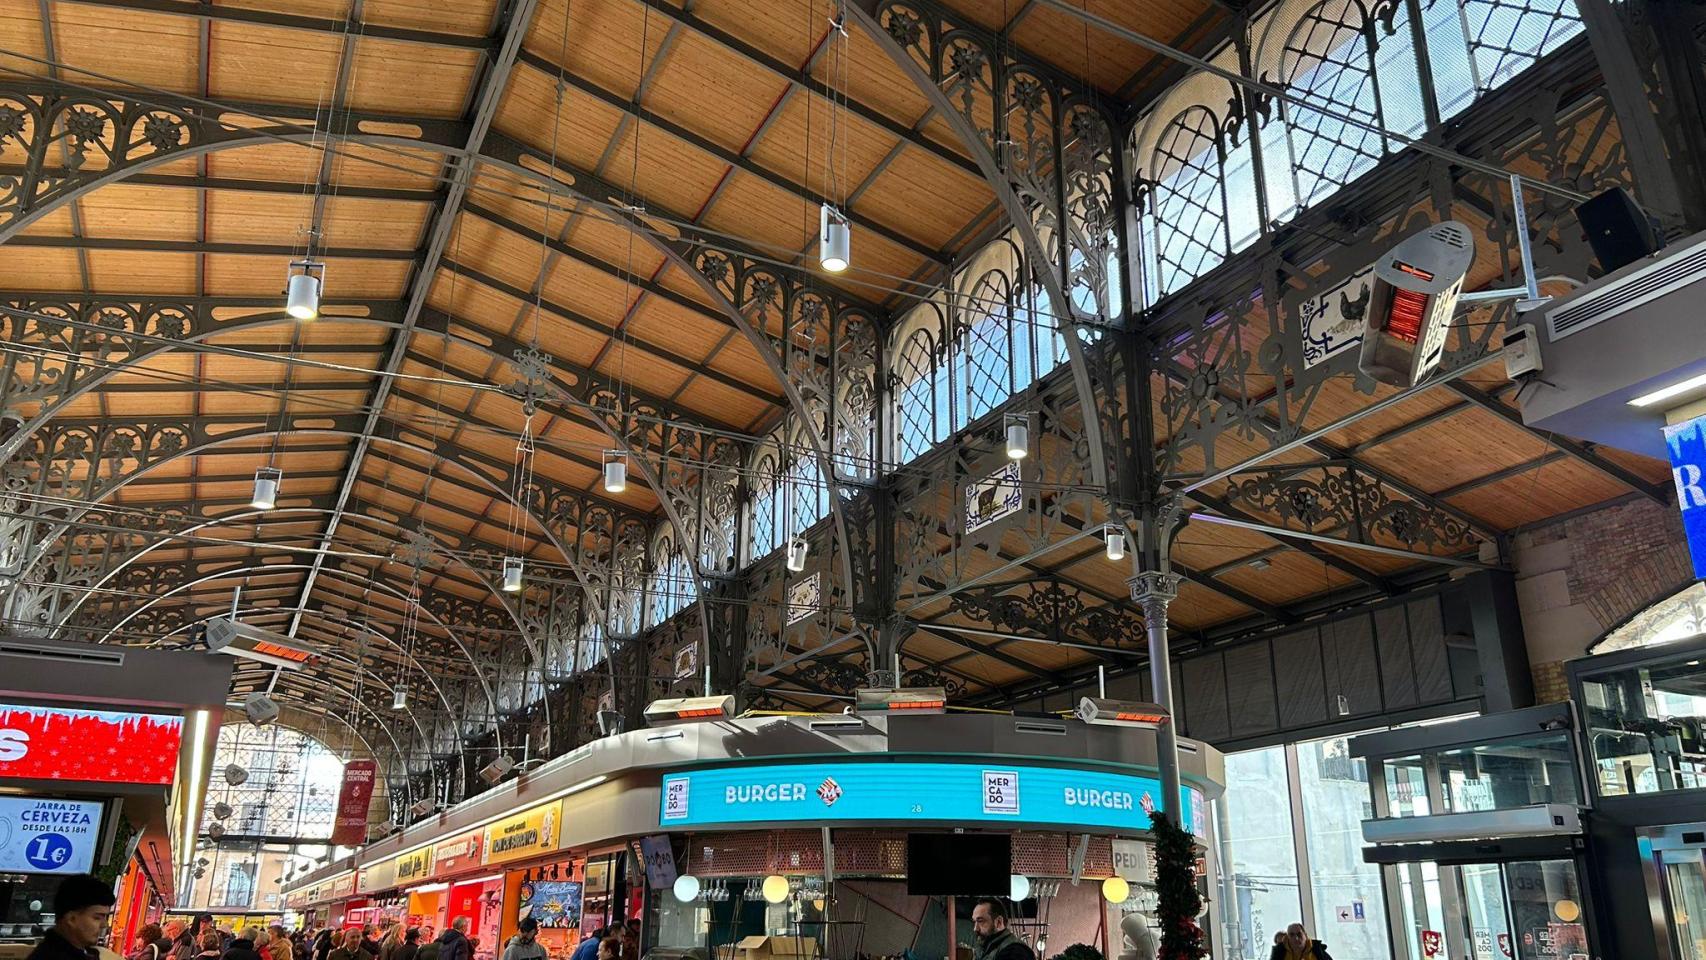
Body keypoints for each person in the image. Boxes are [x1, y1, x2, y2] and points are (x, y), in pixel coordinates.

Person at [30, 874, 118, 960]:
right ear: (71, 919)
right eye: (97, 918)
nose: (104, 925)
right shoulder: (50, 956)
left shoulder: (86, 952)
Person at [1269, 924, 1334, 960]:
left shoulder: (1318, 951)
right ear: (1287, 938)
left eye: (1299, 934)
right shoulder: (1279, 954)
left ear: (1305, 935)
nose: (1296, 938)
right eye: (1292, 935)